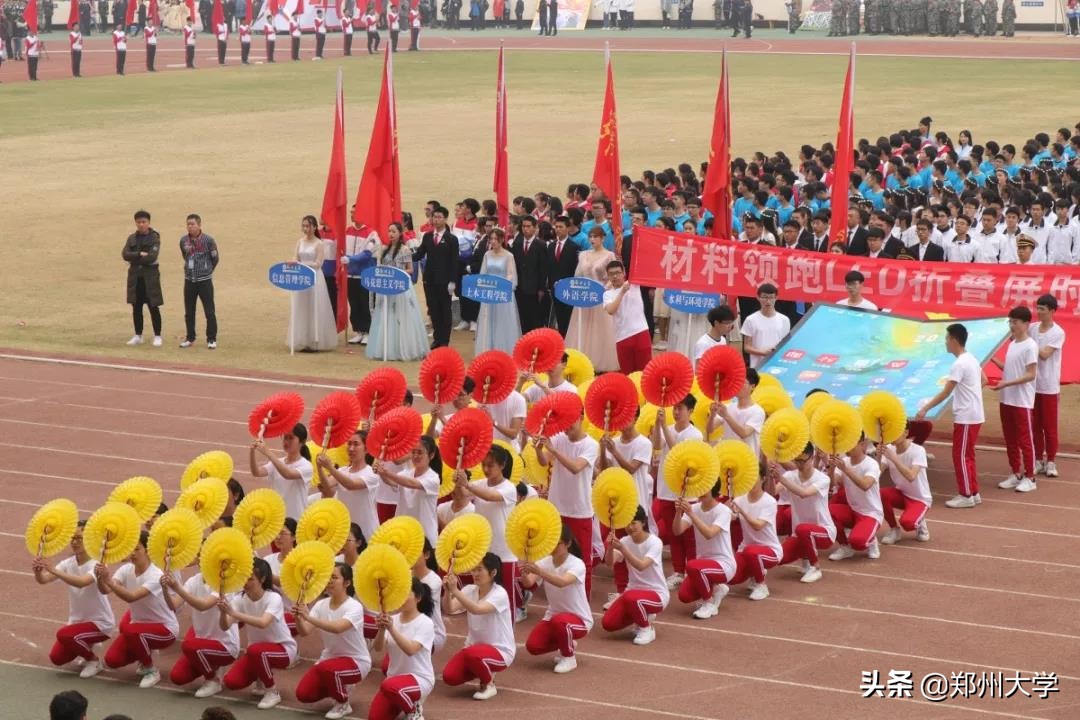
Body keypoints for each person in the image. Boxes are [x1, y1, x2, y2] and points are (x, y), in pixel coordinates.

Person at [95, 531, 178, 689]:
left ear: (147, 550)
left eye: (137, 549)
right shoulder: (126, 570)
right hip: (138, 627)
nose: (132, 554)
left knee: (132, 631)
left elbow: (131, 597)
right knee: (112, 661)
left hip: (165, 629)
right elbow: (106, 590)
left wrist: (108, 580)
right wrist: (100, 577)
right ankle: (146, 651)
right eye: (130, 549)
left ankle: (151, 670)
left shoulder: (155, 575)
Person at [34, 522, 116, 678]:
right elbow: (44, 580)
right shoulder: (68, 563)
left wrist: (53, 570)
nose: (75, 542)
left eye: (79, 538)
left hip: (100, 623)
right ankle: (87, 644)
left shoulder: (97, 564)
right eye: (72, 538)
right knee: (57, 659)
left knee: (64, 635)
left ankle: (93, 660)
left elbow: (82, 582)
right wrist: (38, 572)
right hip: (77, 622)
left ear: (90, 540)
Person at [293, 563, 370, 720]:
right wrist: (298, 618)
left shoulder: (354, 607)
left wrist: (308, 616)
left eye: (334, 577)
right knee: (303, 694)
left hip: (356, 662)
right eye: (328, 577)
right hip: (329, 660)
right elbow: (305, 631)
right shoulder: (321, 605)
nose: (330, 581)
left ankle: (343, 703)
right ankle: (340, 685)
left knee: (327, 669)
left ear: (347, 583)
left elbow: (337, 628)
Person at [535, 411, 599, 596]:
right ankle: (559, 598)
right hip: (556, 508)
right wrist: (539, 449)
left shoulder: (591, 445)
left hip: (580, 511)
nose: (568, 426)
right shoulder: (557, 438)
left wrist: (554, 450)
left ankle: (583, 602)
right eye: (565, 421)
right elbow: (543, 461)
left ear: (581, 419)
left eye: (572, 421)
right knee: (554, 554)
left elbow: (576, 468)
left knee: (582, 559)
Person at [220, 558, 297, 710]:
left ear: (262, 579)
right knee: (231, 682)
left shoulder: (273, 598)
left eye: (250, 579)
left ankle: (272, 691)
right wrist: (223, 613)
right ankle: (261, 678)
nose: (246, 583)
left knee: (256, 651)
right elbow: (225, 626)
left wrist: (235, 613)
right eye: (244, 578)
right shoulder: (239, 599)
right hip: (258, 652)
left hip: (283, 650)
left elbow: (263, 623)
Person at [459, 445, 523, 622]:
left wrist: (467, 484)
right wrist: (458, 480)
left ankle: (507, 643)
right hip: (483, 551)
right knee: (482, 598)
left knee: (506, 604)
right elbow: (462, 495)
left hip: (504, 553)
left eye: (491, 465)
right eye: (484, 465)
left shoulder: (509, 488)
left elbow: (490, 496)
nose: (486, 469)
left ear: (502, 466)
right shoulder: (479, 484)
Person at [442, 552, 516, 700]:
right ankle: (483, 667)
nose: (474, 573)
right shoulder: (469, 590)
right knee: (450, 677)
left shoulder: (499, 594)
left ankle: (489, 684)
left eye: (479, 569)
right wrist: (447, 590)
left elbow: (477, 610)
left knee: (473, 653)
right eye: (473, 569)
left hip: (500, 651)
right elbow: (449, 609)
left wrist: (455, 590)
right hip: (474, 650)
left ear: (493, 572)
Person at [160, 565, 240, 699]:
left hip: (225, 645)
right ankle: (212, 665)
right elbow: (173, 605)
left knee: (189, 646)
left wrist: (177, 588)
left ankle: (213, 680)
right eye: (200, 556)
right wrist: (165, 589)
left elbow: (203, 605)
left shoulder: (223, 584)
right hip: (202, 644)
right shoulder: (193, 581)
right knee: (178, 677)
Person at [520, 523, 592, 673]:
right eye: (550, 543)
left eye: (557, 544)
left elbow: (562, 582)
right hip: (553, 617)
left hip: (579, 620)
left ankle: (569, 657)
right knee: (533, 646)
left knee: (561, 622)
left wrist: (540, 571)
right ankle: (567, 642)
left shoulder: (577, 564)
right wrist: (524, 573)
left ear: (568, 543)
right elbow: (529, 583)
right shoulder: (545, 562)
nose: (553, 547)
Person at [652, 395, 702, 589]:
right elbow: (657, 445)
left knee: (688, 535)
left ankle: (691, 570)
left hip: (687, 492)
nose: (676, 411)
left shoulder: (695, 434)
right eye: (675, 407)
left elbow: (678, 453)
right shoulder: (667, 428)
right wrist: (658, 425)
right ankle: (678, 571)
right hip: (666, 489)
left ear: (690, 411)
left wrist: (664, 426)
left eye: (680, 408)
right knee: (674, 536)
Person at [370, 579, 436, 720]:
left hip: (419, 679)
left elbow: (411, 650)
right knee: (375, 717)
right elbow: (378, 648)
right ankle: (405, 700)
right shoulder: (393, 619)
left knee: (388, 685)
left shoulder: (425, 623)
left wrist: (391, 628)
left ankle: (414, 709)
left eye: (407, 593)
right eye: (399, 593)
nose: (402, 597)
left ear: (418, 598)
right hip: (394, 680)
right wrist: (381, 630)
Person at [601, 505, 666, 645]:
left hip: (656, 594)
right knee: (608, 623)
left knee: (631, 597)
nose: (630, 527)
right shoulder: (625, 541)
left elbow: (641, 566)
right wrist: (610, 547)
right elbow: (609, 563)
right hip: (632, 593)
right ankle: (643, 614)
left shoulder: (655, 542)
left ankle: (646, 628)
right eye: (627, 524)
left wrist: (623, 549)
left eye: (634, 523)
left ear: (643, 522)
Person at [990, 306, 1039, 494]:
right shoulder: (1012, 344)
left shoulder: (1030, 346)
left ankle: (1030, 477)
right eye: (1010, 322)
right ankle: (1015, 473)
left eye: (1015, 322)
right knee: (1010, 439)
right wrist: (993, 360)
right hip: (1007, 399)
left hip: (1022, 401)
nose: (1012, 325)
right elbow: (1011, 369)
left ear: (1026, 324)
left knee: (1025, 440)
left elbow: (1031, 375)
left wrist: (1007, 383)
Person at [673, 481, 735, 619]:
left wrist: (691, 514)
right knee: (684, 595)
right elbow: (677, 531)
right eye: (699, 488)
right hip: (702, 565)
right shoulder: (694, 508)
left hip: (724, 565)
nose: (700, 492)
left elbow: (709, 534)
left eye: (704, 488)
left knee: (692, 565)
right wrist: (678, 512)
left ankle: (709, 603)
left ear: (713, 490)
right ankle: (718, 589)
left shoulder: (723, 511)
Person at [366, 222, 428, 360]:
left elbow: (410, 269)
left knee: (402, 315)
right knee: (386, 314)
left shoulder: (405, 250)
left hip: (400, 287)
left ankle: (403, 348)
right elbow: (380, 267)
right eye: (389, 231)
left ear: (400, 233)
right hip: (386, 288)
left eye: (394, 231)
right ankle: (385, 348)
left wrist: (396, 272)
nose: (391, 234)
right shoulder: (384, 249)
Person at [774, 445, 835, 584]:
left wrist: (782, 479)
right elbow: (773, 493)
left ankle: (816, 567)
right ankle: (806, 562)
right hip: (800, 534)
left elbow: (804, 493)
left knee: (803, 529)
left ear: (812, 458)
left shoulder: (823, 479)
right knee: (779, 558)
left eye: (803, 460)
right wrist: (771, 474)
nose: (799, 464)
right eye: (797, 460)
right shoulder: (790, 475)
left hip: (824, 532)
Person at [566, 227, 619, 372]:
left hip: (600, 298)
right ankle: (579, 359)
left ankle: (598, 361)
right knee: (581, 327)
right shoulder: (583, 255)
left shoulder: (609, 256)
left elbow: (613, 277)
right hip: (583, 298)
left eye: (596, 236)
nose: (592, 239)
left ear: (603, 238)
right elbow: (577, 276)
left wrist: (604, 289)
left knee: (600, 330)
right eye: (590, 236)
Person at [727, 465, 782, 599]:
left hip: (770, 551)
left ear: (763, 479)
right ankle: (755, 570)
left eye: (754, 478)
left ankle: (761, 585)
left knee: (751, 552)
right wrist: (725, 510)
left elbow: (758, 525)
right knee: (731, 578)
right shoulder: (740, 500)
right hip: (746, 549)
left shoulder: (769, 501)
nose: (751, 481)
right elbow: (731, 517)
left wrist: (741, 511)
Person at [375, 436, 441, 545]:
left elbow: (411, 483)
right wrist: (381, 472)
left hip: (424, 534)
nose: (415, 456)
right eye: (413, 452)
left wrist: (386, 472)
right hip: (403, 532)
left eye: (420, 452)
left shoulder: (433, 478)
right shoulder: (405, 473)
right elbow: (391, 482)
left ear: (431, 455)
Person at [828, 435, 884, 562]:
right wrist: (831, 469)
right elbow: (832, 484)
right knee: (826, 512)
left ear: (863, 445)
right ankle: (845, 546)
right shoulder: (844, 462)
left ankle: (871, 541)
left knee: (858, 542)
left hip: (871, 513)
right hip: (852, 510)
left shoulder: (871, 464)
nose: (848, 447)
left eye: (852, 443)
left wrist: (845, 469)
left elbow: (865, 485)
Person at [317, 430, 380, 541]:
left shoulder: (372, 473)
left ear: (366, 449)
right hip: (347, 529)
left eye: (356, 444)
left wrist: (330, 468)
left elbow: (351, 485)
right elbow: (326, 487)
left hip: (367, 530)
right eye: (349, 443)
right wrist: (319, 467)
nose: (351, 448)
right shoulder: (342, 471)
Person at [288, 216, 338, 352]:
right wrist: (294, 262)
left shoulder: (319, 243)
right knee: (302, 307)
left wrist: (302, 264)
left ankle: (315, 340)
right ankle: (303, 339)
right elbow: (296, 256)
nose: (306, 229)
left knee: (315, 307)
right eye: (304, 226)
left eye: (308, 226)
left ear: (314, 227)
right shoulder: (300, 241)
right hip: (301, 279)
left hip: (315, 278)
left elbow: (318, 263)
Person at [413, 206, 459, 349]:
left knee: (444, 309)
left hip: (445, 281)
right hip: (430, 279)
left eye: (439, 217)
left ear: (445, 219)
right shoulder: (427, 236)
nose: (436, 220)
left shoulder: (451, 239)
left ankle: (444, 340)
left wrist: (452, 281)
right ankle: (437, 338)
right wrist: (403, 255)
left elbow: (454, 261)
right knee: (433, 309)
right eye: (434, 217)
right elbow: (419, 254)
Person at [1029, 294, 1064, 479]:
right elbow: (1016, 340)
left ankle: (1051, 461)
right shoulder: (1033, 328)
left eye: (1042, 309)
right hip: (1032, 385)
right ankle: (1037, 459)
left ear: (1052, 311)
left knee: (1049, 427)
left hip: (1049, 386)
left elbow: (1044, 355)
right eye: (1038, 308)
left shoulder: (1058, 332)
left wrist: (1028, 345)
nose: (1039, 312)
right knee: (1035, 426)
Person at [878, 428, 932, 545]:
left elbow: (911, 476)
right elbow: (876, 474)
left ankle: (920, 521)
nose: (892, 435)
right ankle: (894, 529)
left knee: (908, 524)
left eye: (896, 432)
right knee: (880, 494)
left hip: (920, 499)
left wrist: (894, 458)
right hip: (901, 494)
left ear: (906, 433)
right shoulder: (889, 449)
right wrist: (878, 457)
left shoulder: (918, 450)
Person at [250, 423, 314, 520]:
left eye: (290, 438)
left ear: (302, 442)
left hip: (295, 520)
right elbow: (257, 472)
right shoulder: (278, 462)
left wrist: (268, 452)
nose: (286, 442)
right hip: (277, 518)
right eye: (285, 438)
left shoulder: (306, 466)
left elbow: (287, 474)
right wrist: (252, 451)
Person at [475, 228, 522, 354]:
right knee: (488, 321)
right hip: (489, 294)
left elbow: (511, 276)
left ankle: (503, 350)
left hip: (502, 295)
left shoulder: (508, 256)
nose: (493, 241)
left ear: (502, 240)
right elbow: (483, 274)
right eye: (491, 239)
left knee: (502, 322)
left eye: (496, 239)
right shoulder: (487, 255)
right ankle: (487, 349)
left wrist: (502, 287)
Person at [123, 210, 164, 347]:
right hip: (136, 278)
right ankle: (138, 335)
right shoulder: (132, 238)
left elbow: (152, 256)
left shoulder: (154, 237)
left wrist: (134, 258)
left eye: (144, 222)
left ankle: (157, 335)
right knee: (136, 307)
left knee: (153, 307)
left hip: (150, 278)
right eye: (139, 222)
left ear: (149, 222)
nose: (141, 224)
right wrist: (140, 254)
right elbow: (125, 254)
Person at [603, 260, 652, 373]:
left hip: (641, 333)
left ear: (624, 272)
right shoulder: (607, 294)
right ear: (608, 276)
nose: (615, 276)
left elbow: (643, 267)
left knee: (644, 372)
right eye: (611, 274)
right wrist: (622, 292)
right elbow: (611, 310)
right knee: (627, 373)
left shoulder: (634, 284)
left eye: (618, 272)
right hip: (622, 337)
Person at [179, 214, 219, 349]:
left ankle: (211, 339)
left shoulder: (209, 240)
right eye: (188, 224)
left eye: (192, 224)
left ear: (199, 225)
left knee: (209, 311)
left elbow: (215, 258)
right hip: (189, 281)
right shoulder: (183, 240)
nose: (190, 227)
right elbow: (185, 256)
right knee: (189, 311)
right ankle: (190, 337)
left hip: (205, 281)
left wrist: (207, 271)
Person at [740, 283, 790, 369]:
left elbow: (786, 344)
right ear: (758, 298)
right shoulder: (751, 320)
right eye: (764, 297)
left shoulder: (784, 320)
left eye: (771, 297)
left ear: (776, 298)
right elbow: (747, 347)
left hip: (778, 365)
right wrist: (763, 353)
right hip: (758, 366)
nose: (768, 301)